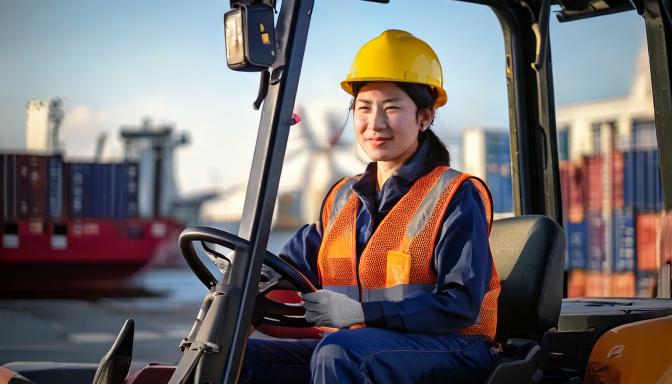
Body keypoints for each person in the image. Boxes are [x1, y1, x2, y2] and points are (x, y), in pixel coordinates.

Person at [240, 29, 500, 384]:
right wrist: (242, 283)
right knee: (241, 358)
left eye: (392, 108)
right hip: (366, 344)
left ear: (425, 117)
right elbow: (288, 265)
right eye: (363, 108)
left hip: (454, 346)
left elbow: (460, 303)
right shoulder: (342, 198)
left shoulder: (454, 194)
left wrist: (362, 312)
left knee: (339, 352)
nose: (374, 123)